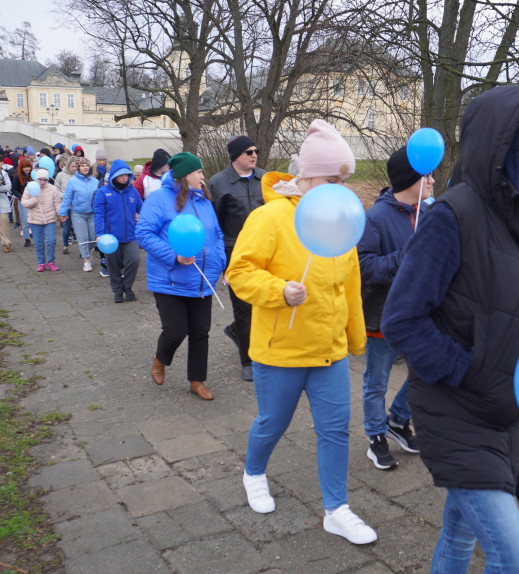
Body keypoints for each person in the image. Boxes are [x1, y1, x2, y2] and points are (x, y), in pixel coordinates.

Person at [380, 85, 519, 573]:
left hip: (510, 412)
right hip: (458, 407)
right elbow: (402, 317)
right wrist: (468, 370)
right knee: (515, 559)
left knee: (459, 531)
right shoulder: (453, 216)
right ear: (505, 142)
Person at [227, 119, 377, 545]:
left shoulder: (342, 220)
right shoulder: (270, 216)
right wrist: (278, 290)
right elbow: (239, 272)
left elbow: (350, 284)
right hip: (281, 350)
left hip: (329, 351)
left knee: (335, 430)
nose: (340, 186)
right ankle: (254, 473)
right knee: (272, 422)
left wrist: (355, 339)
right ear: (307, 174)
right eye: (333, 178)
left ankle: (337, 509)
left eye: (344, 179)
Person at [357, 146, 431, 470]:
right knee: (377, 381)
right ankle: (376, 437)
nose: (432, 180)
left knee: (425, 372)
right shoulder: (375, 218)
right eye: (425, 174)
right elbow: (364, 267)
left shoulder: (428, 213)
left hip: (421, 315)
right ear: (410, 179)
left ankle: (398, 420)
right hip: (383, 316)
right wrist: (405, 257)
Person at [136, 152, 224, 400]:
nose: (203, 176)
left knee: (200, 332)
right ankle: (160, 358)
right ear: (185, 175)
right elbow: (144, 234)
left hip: (202, 280)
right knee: (176, 330)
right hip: (170, 279)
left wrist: (219, 264)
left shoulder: (204, 201)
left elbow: (216, 235)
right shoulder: (159, 200)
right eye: (199, 172)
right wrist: (174, 256)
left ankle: (197, 381)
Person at [210, 135, 266, 382]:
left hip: (266, 250)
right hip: (235, 252)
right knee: (243, 307)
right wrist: (221, 259)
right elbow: (214, 223)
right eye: (248, 152)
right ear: (236, 156)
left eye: (256, 151)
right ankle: (248, 360)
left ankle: (236, 331)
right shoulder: (218, 183)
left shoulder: (265, 179)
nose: (254, 155)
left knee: (264, 303)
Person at [94, 159, 143, 302]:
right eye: (121, 175)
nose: (124, 178)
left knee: (134, 260)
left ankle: (127, 286)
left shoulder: (133, 192)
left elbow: (142, 209)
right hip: (110, 238)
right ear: (114, 176)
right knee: (113, 266)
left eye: (127, 175)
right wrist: (99, 234)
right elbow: (98, 214)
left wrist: (140, 215)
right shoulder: (103, 192)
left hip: (130, 236)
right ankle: (117, 291)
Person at [60, 157, 99, 272]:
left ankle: (88, 252)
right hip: (78, 214)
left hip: (92, 214)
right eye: (82, 166)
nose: (85, 167)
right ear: (78, 168)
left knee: (93, 239)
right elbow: (67, 198)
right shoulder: (72, 182)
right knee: (83, 238)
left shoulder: (95, 181)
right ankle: (86, 261)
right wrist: (62, 212)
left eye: (87, 165)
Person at [21, 168, 63, 272]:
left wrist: (60, 213)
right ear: (36, 178)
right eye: (40, 179)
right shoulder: (30, 187)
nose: (43, 182)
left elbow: (57, 203)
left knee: (51, 240)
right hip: (35, 219)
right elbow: (24, 202)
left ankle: (51, 262)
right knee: (38, 242)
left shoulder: (52, 189)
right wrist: (33, 201)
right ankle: (41, 262)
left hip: (49, 219)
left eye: (45, 180)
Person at [55, 155, 79, 255]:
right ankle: (65, 246)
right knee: (66, 227)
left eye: (76, 167)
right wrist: (63, 195)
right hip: (65, 205)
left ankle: (82, 248)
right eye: (72, 166)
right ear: (68, 165)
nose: (74, 169)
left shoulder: (79, 175)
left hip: (77, 205)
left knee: (78, 227)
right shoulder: (61, 175)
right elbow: (55, 189)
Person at [12, 157, 35, 247]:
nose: (27, 169)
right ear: (21, 168)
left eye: (28, 167)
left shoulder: (33, 176)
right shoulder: (17, 177)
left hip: (33, 200)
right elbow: (14, 189)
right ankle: (26, 238)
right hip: (23, 201)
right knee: (25, 220)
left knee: (34, 219)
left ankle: (34, 234)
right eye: (25, 167)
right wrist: (21, 197)